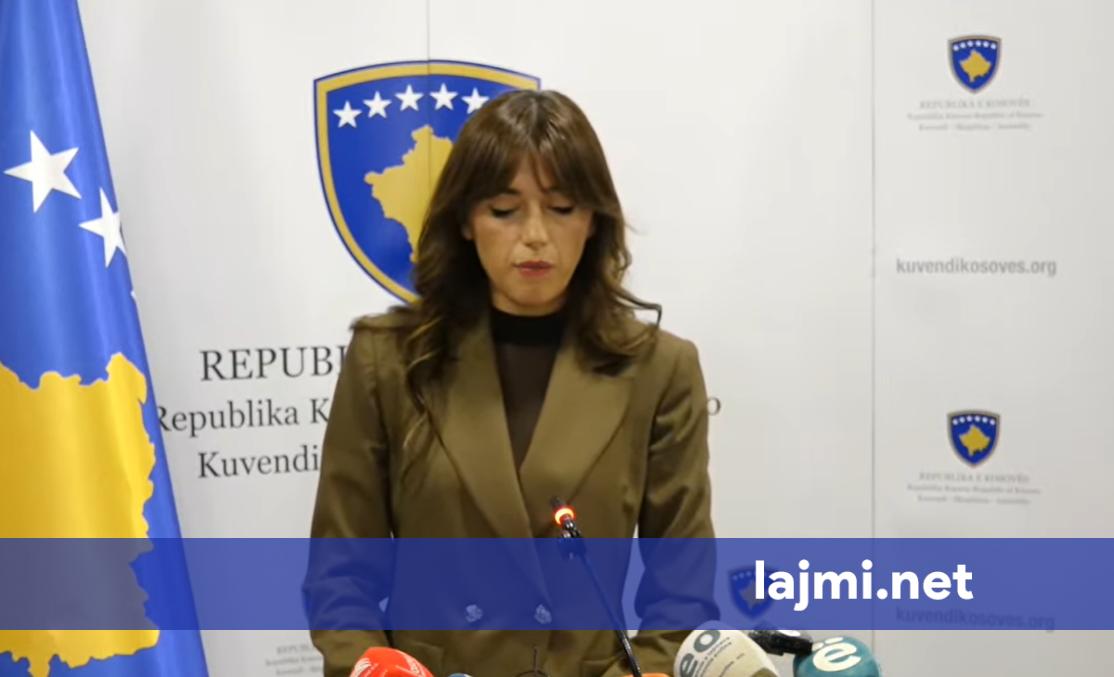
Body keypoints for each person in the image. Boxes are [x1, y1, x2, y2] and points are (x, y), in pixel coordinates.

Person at [306, 89, 716, 677]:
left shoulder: (660, 369)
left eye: (562, 207)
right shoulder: (387, 360)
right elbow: (342, 574)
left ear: (594, 220)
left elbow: (681, 596)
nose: (535, 236)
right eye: (504, 210)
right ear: (466, 221)